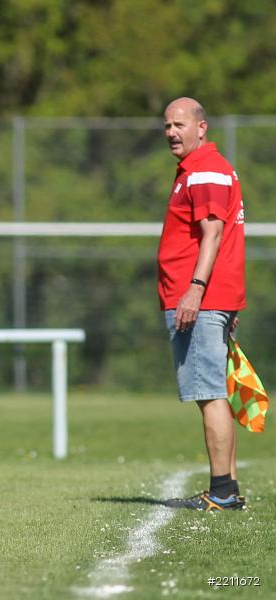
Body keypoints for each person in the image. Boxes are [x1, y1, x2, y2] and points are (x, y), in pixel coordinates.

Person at [157, 97, 246, 511]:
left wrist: (195, 287)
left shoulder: (206, 168)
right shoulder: (199, 168)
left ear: (201, 127)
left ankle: (223, 492)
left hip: (200, 298)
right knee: (212, 393)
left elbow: (212, 234)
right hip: (211, 298)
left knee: (209, 392)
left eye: (179, 124)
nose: (172, 132)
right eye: (167, 126)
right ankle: (227, 488)